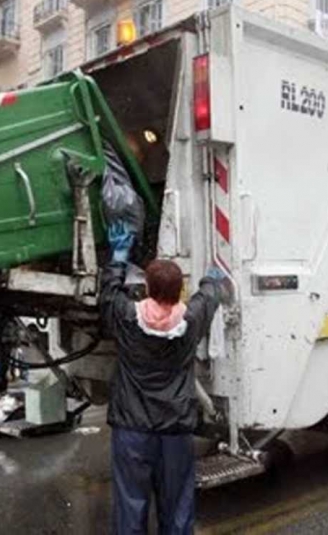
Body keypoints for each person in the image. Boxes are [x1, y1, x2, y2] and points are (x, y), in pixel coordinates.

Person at [100, 222, 224, 535]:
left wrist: (118, 255)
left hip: (131, 430)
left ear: (148, 289)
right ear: (179, 290)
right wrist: (213, 274)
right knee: (178, 506)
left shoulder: (127, 318)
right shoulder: (191, 320)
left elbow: (108, 294)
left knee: (131, 505)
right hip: (175, 430)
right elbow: (209, 295)